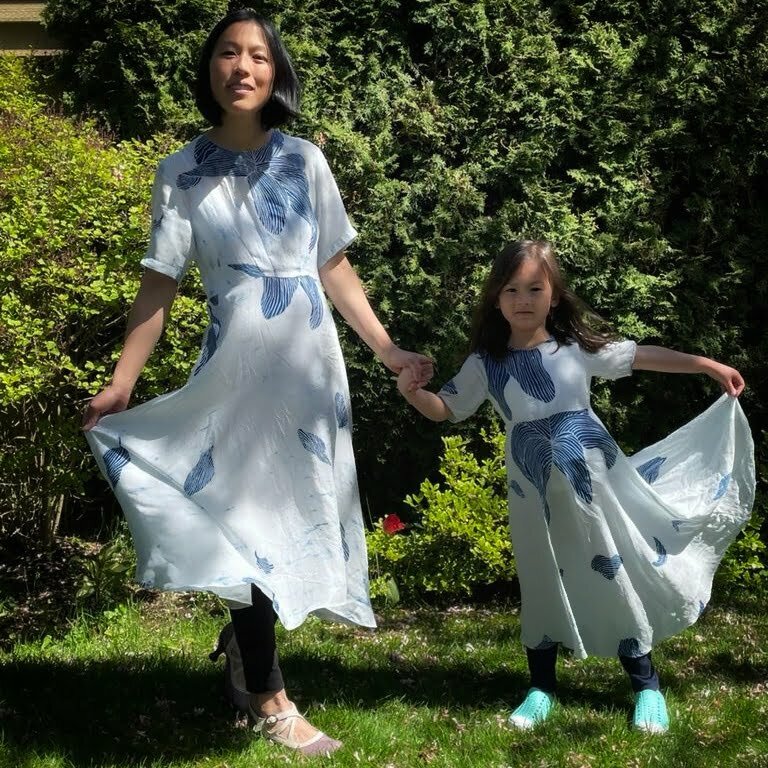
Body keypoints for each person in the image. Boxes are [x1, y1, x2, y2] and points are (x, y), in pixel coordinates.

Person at [82, 7, 431, 757]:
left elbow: (333, 267)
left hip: (308, 371)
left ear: (276, 74)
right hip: (234, 373)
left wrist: (390, 351)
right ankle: (270, 695)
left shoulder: (305, 161)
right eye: (228, 53)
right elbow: (159, 285)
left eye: (258, 56)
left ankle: (246, 655)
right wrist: (120, 384)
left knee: (289, 513)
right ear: (209, 68)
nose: (242, 67)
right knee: (242, 517)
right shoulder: (179, 172)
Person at [396, 239, 754, 734]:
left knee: (613, 572)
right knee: (540, 577)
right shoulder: (485, 362)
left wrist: (704, 364)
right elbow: (447, 408)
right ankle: (541, 687)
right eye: (511, 290)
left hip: (594, 491)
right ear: (496, 299)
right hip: (533, 495)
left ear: (554, 296)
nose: (523, 299)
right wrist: (413, 393)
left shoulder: (575, 349)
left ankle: (646, 686)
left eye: (534, 289)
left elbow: (639, 356)